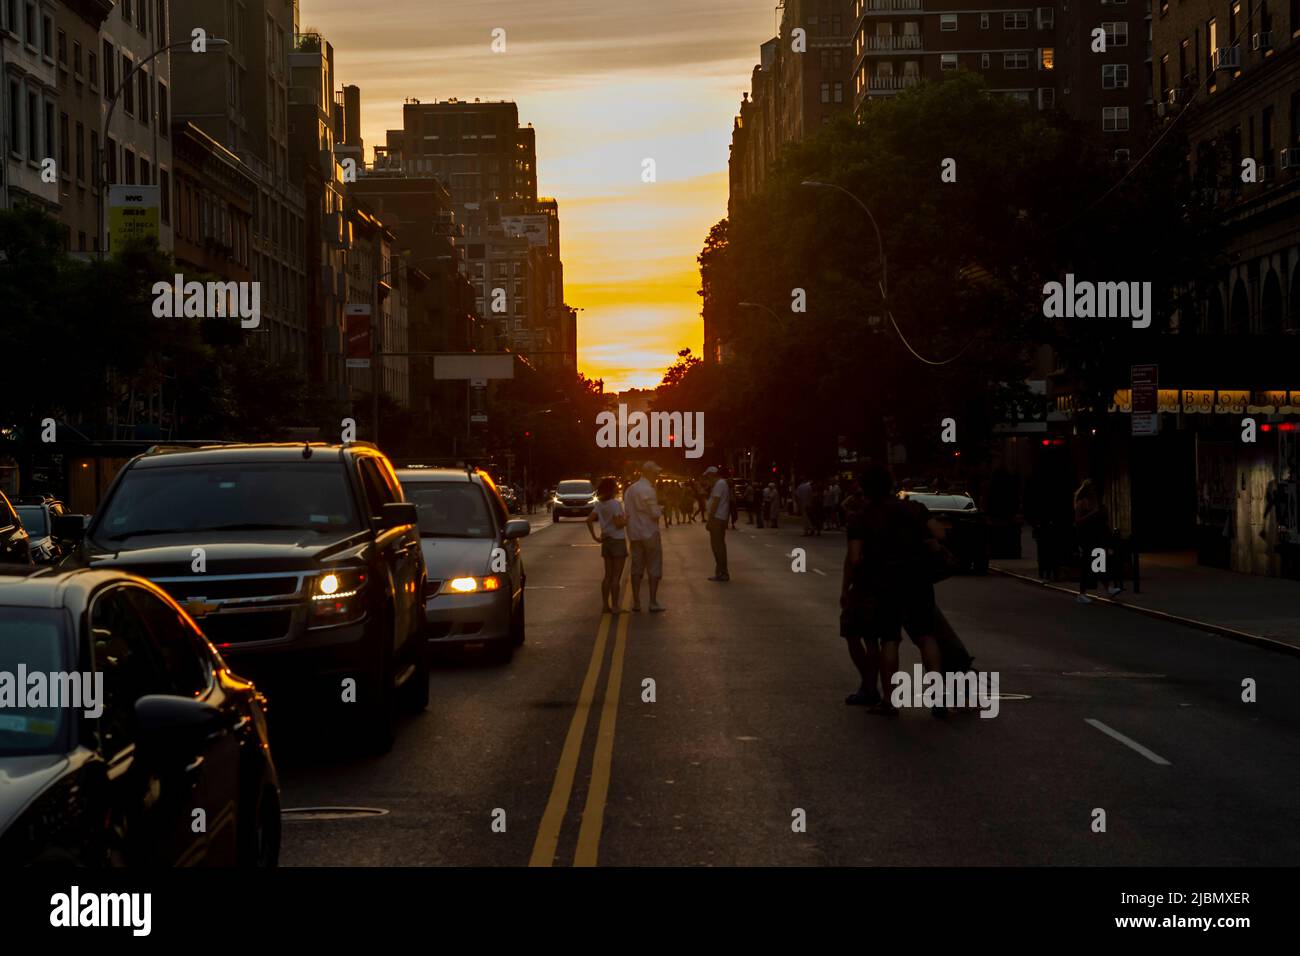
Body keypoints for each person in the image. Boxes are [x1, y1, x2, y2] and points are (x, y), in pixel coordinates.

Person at [838, 465, 947, 718]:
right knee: (926, 637)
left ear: (864, 489)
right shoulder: (914, 508)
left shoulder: (861, 517)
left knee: (890, 640)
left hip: (885, 584)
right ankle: (938, 699)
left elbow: (854, 559)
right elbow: (940, 533)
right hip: (918, 581)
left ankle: (889, 701)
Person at [625, 461, 667, 612]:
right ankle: (653, 601)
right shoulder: (648, 490)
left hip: (635, 534)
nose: (657, 476)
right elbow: (654, 513)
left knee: (636, 568)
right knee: (654, 568)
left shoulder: (630, 489)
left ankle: (636, 602)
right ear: (649, 473)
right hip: (649, 532)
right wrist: (660, 509)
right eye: (655, 473)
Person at [585, 477, 628, 614]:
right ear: (611, 489)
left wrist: (595, 537)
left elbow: (589, 520)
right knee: (616, 576)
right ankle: (615, 606)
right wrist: (627, 519)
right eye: (615, 486)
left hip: (606, 540)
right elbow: (618, 524)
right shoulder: (615, 504)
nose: (617, 487)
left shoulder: (600, 504)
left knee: (607, 575)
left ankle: (605, 605)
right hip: (617, 540)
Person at [1073, 478, 1116, 603]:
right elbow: (1077, 521)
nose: (1093, 492)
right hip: (1086, 538)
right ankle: (1082, 594)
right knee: (1087, 565)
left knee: (1099, 563)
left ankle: (1108, 588)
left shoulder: (1096, 503)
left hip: (1096, 537)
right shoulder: (1081, 503)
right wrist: (1092, 514)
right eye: (1091, 490)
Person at [703, 465, 731, 582]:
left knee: (717, 547)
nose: (707, 479)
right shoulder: (720, 484)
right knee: (718, 546)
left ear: (712, 475)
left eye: (708, 477)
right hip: (720, 518)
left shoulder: (719, 484)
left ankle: (722, 572)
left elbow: (715, 503)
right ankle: (721, 571)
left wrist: (710, 520)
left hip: (717, 519)